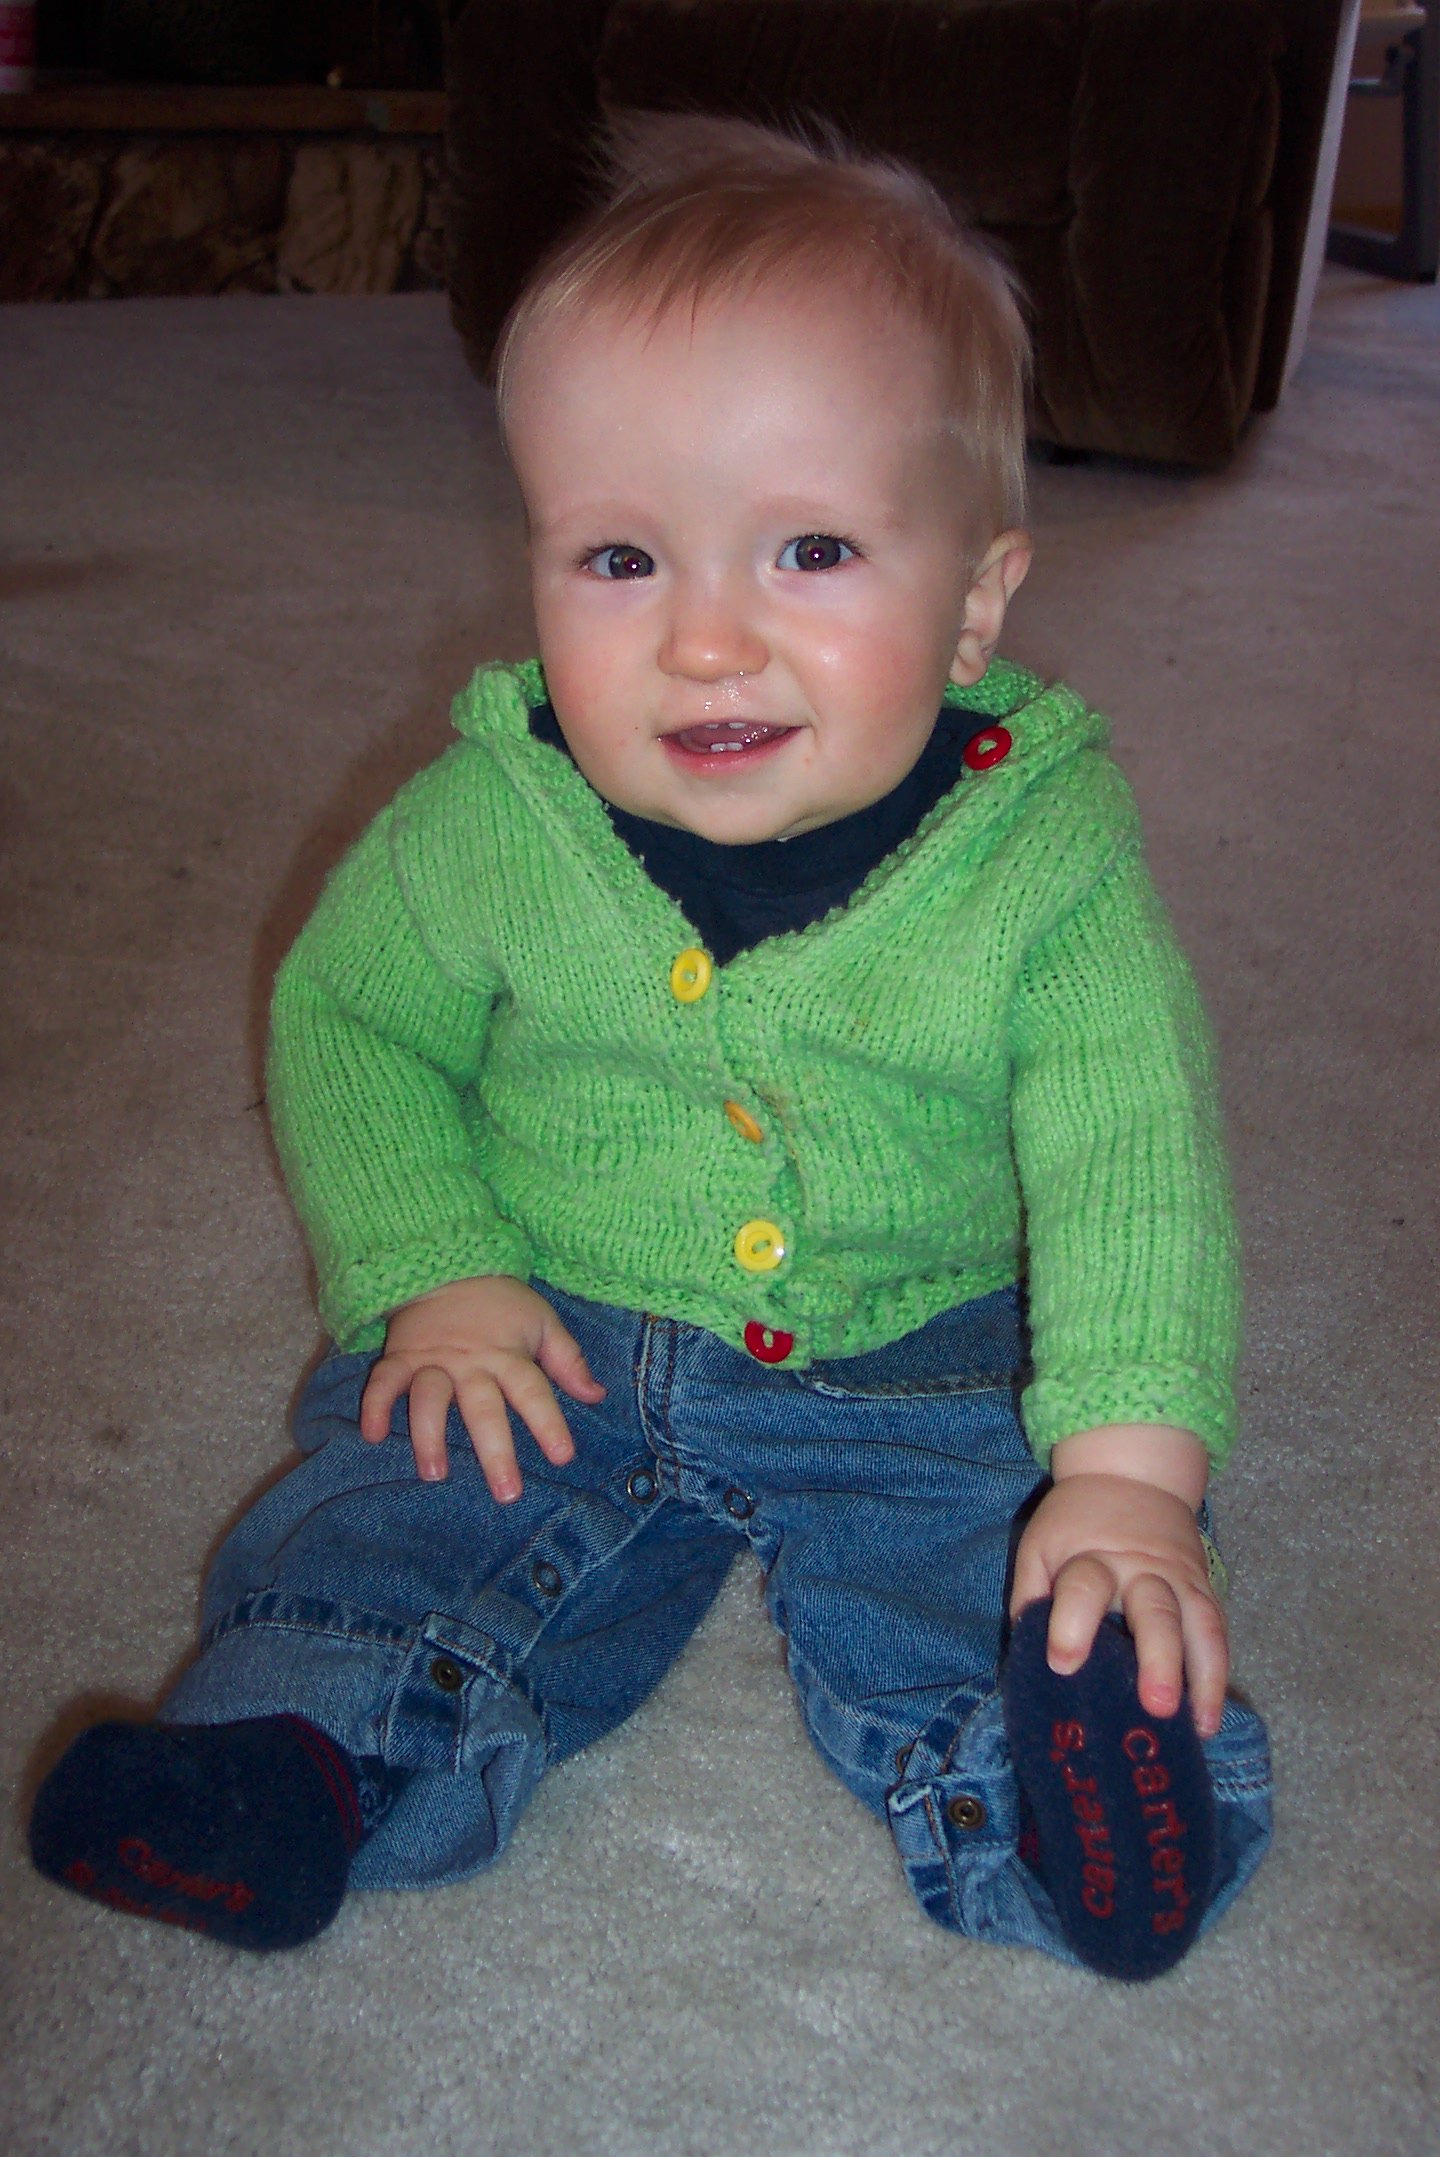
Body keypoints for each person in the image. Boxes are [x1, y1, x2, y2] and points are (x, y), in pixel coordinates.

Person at [30, 114, 1272, 1979]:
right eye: (620, 558)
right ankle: (291, 1758)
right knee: (401, 1510)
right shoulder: (492, 821)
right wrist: (431, 1266)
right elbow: (353, 1019)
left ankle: (1070, 1813)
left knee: (1005, 1579)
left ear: (979, 602)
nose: (704, 642)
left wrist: (1126, 1473)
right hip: (555, 1322)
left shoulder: (1048, 862)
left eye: (813, 550)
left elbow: (1132, 1158)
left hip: (926, 1357)